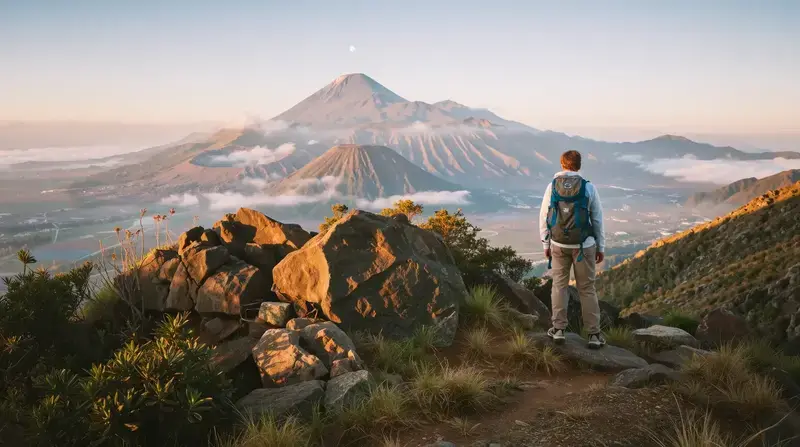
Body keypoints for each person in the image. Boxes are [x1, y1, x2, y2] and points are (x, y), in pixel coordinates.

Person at [538, 150, 606, 349]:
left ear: (562, 164)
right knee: (586, 289)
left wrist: (545, 243)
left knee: (559, 285)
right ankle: (593, 334)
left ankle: (558, 330)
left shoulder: (552, 187)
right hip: (584, 245)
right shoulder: (588, 187)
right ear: (579, 165)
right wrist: (600, 246)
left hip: (558, 244)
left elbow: (544, 216)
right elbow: (597, 219)